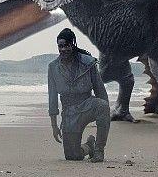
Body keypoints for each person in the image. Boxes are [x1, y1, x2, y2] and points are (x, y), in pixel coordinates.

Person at [47, 28, 111, 162]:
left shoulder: (88, 63)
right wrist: (54, 126)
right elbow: (52, 97)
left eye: (66, 45)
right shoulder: (53, 67)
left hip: (87, 105)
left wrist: (104, 113)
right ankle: (90, 146)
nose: (63, 49)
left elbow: (100, 90)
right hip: (69, 113)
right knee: (72, 156)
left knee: (103, 106)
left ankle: (99, 150)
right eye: (60, 46)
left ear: (72, 45)